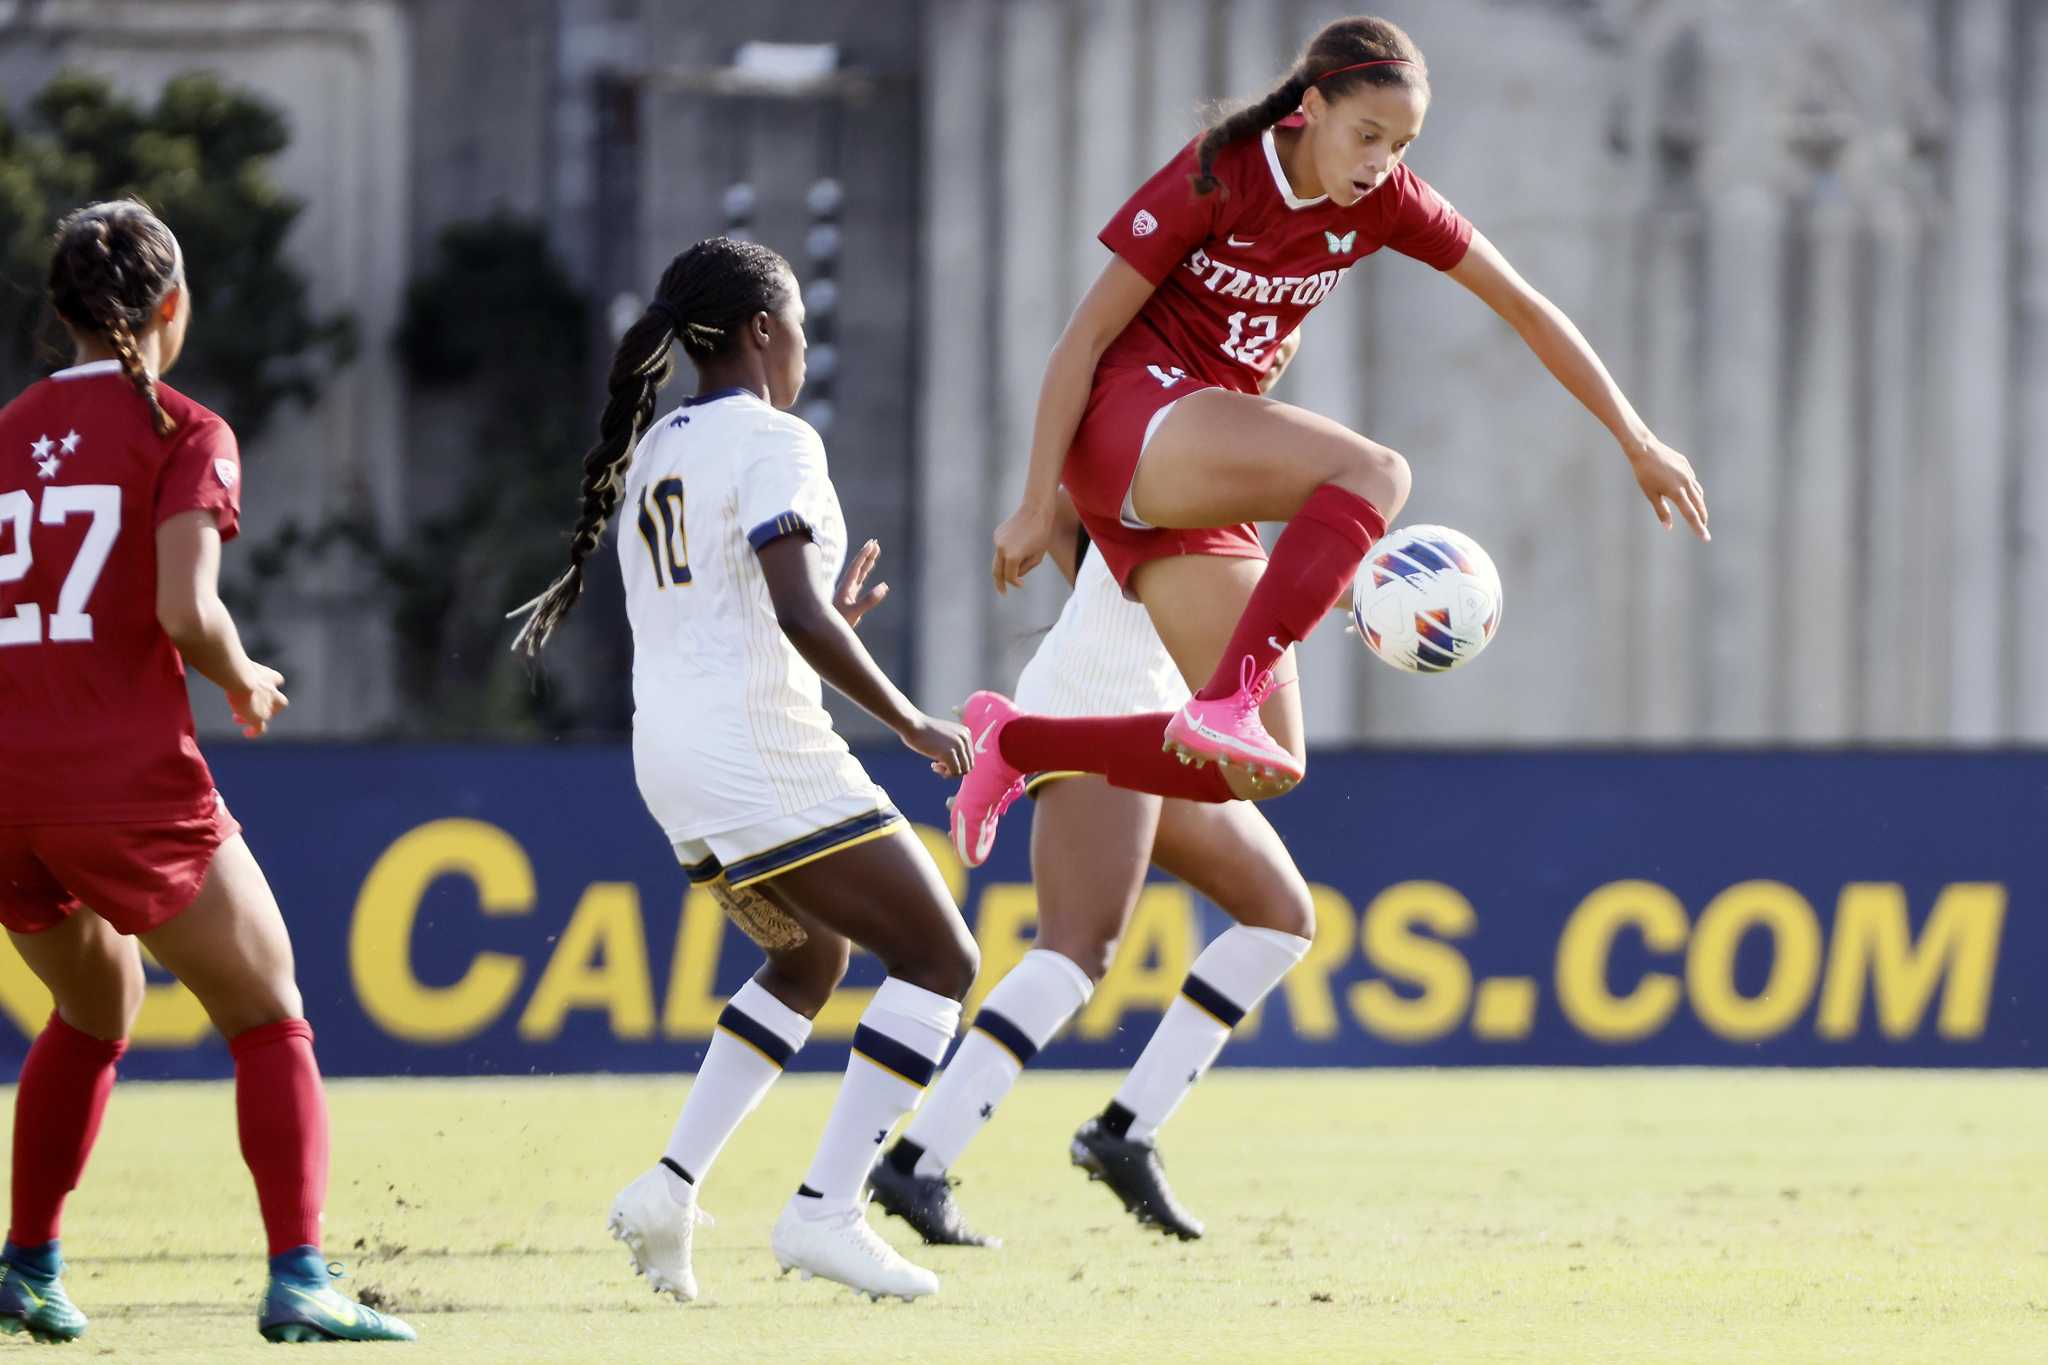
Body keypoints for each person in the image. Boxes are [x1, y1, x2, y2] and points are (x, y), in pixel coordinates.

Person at [948, 14, 1709, 868]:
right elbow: (1082, 340)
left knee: (1263, 765)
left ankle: (1018, 742)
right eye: (1367, 134)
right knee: (1375, 470)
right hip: (1128, 418)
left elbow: (1526, 309)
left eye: (1402, 144)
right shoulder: (1219, 173)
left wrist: (1638, 438)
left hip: (1192, 468)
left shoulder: (1389, 201)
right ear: (1310, 108)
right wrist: (1032, 501)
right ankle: (1231, 694)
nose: (1381, 161)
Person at [509, 237, 981, 1304]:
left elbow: (734, 610)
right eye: (801, 325)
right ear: (765, 329)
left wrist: (816, 624)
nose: (806, 346)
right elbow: (794, 610)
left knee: (808, 961)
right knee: (939, 960)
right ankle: (825, 1212)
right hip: (756, 753)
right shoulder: (777, 439)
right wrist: (909, 719)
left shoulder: (656, 447)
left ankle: (669, 1189)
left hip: (672, 761)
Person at [0, 199, 414, 1344]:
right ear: (171, 307)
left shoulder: (8, 429)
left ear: (60, 312)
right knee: (268, 1008)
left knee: (96, 1004)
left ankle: (26, 1265)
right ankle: (299, 1276)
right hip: (120, 782)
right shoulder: (185, 429)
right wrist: (240, 676)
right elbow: (187, 610)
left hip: (6, 788)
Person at [872, 336, 1314, 1245]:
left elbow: (1115, 530)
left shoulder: (1210, 437)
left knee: (1280, 916)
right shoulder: (1184, 436)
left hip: (1157, 711)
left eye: (1284, 346)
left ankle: (1125, 1133)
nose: (1274, 357)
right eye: (1266, 339)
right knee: (1077, 950)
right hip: (1098, 704)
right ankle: (916, 1161)